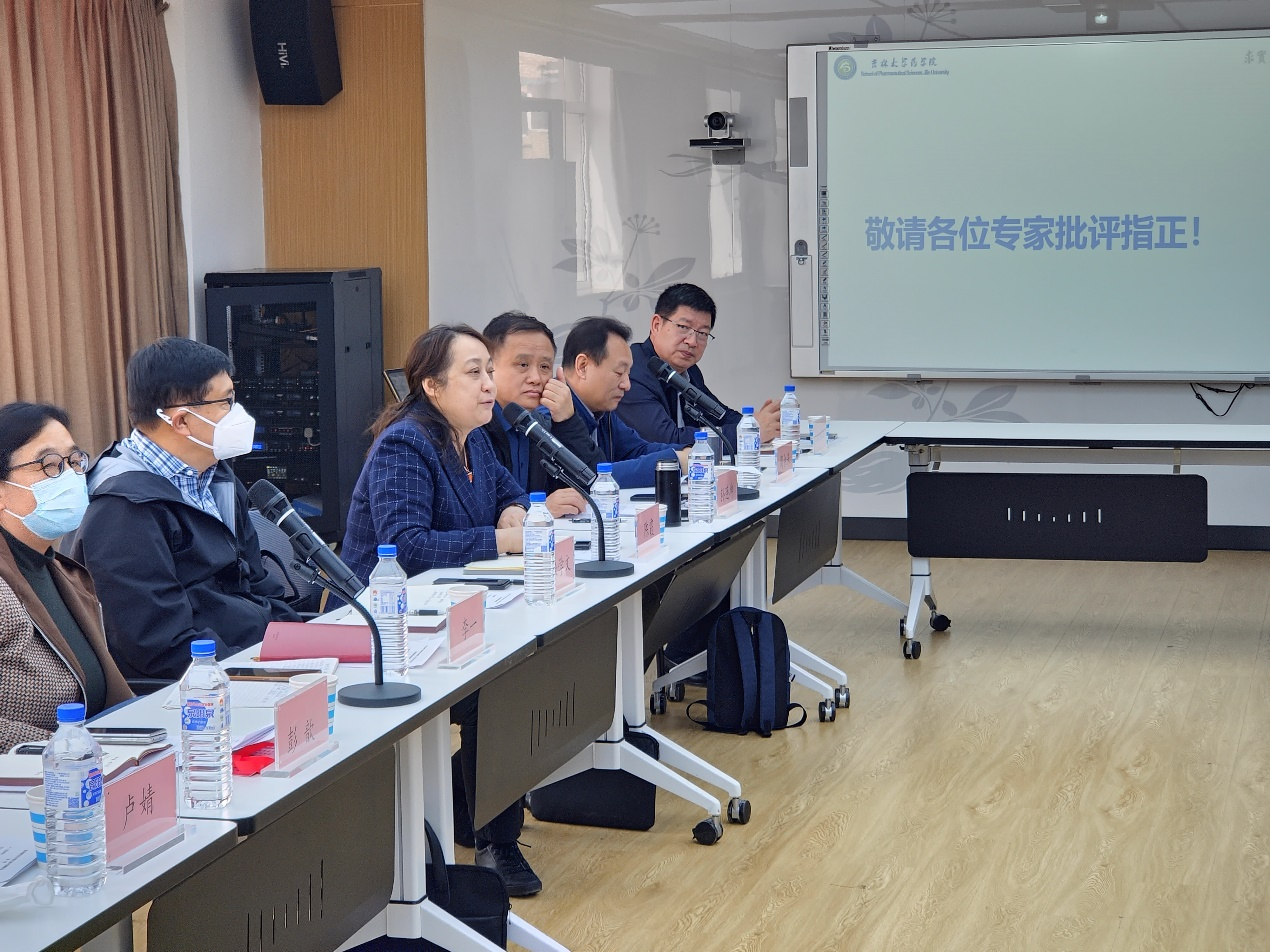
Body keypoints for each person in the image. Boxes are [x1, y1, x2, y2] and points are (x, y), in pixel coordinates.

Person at [340, 324, 541, 897]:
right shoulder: (406, 445)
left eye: (488, 371)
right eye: (474, 373)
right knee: (500, 683)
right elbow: (406, 547)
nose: (489, 384)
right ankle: (494, 840)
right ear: (432, 386)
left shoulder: (473, 437)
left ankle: (469, 801)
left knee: (524, 661)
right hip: (386, 624)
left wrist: (513, 512)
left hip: (452, 610)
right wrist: (501, 540)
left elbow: (508, 492)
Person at [74, 338, 298, 683]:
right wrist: (258, 674)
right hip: (200, 687)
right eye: (226, 402)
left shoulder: (217, 477)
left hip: (254, 656)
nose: (238, 413)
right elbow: (160, 646)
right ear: (181, 421)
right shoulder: (122, 510)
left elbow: (257, 583)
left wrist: (298, 650)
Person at [0, 402, 131, 750]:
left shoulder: (62, 571)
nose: (71, 476)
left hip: (99, 756)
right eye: (50, 465)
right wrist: (68, 751)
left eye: (74, 461)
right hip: (38, 773)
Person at [618, 283, 781, 450]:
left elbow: (719, 415)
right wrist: (748, 433)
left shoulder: (689, 371)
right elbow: (668, 440)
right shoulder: (632, 373)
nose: (692, 341)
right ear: (656, 325)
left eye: (702, 333)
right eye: (683, 327)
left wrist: (755, 424)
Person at [481, 311, 601, 518]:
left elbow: (593, 483)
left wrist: (567, 421)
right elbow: (476, 513)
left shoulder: (539, 424)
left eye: (545, 367)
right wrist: (537, 509)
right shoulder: (474, 427)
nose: (536, 378)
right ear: (489, 367)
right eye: (523, 365)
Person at [561, 317, 689, 488]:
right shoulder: (555, 416)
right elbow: (591, 478)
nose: (627, 385)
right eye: (619, 372)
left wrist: (686, 451)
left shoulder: (603, 413)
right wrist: (675, 460)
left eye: (628, 374)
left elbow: (637, 449)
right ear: (583, 366)